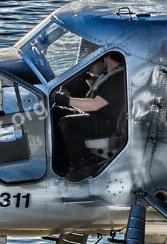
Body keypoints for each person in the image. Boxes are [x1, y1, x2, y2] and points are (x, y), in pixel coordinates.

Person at [53, 53, 126, 181]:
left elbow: (94, 105)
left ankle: (84, 165)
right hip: (99, 116)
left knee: (67, 123)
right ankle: (61, 160)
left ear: (107, 57)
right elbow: (101, 91)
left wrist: (65, 100)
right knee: (56, 112)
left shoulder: (118, 78)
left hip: (107, 122)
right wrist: (87, 78)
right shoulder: (109, 73)